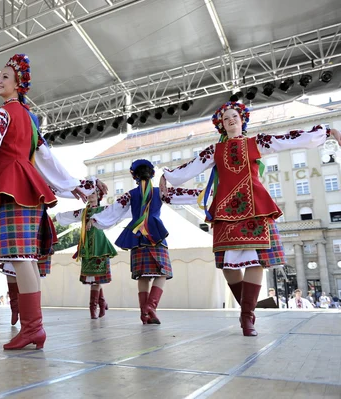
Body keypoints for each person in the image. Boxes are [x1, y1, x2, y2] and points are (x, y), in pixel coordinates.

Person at [0, 54, 105, 350]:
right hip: (28, 186)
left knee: (21, 259)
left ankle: (33, 328)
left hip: (13, 186)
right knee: (25, 260)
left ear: (19, 84)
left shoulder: (4, 113)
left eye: (5, 76)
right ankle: (33, 328)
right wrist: (73, 185)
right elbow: (46, 159)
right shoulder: (29, 120)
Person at [161, 101, 341, 336]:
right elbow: (191, 167)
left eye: (234, 116)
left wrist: (327, 132)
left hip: (256, 205)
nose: (231, 120)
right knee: (228, 265)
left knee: (257, 261)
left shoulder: (257, 142)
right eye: (226, 119)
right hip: (225, 209)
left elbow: (289, 139)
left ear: (242, 119)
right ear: (221, 125)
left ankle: (247, 317)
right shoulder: (214, 151)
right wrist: (166, 176)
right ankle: (248, 306)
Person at [89, 159, 200, 324]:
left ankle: (144, 313)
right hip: (155, 234)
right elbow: (184, 194)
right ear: (153, 174)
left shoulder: (130, 195)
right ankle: (151, 307)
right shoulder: (159, 192)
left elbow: (115, 209)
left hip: (137, 236)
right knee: (163, 273)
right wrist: (207, 193)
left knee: (143, 276)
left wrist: (96, 218)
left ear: (133, 176)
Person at [56, 190, 117, 319]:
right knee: (93, 279)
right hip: (87, 247)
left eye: (93, 193)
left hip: (99, 246)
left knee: (95, 279)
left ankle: (93, 309)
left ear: (99, 196)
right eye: (88, 194)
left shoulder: (103, 209)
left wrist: (94, 220)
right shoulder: (83, 212)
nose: (90, 196)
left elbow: (117, 211)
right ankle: (102, 303)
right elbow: (70, 215)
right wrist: (56, 217)